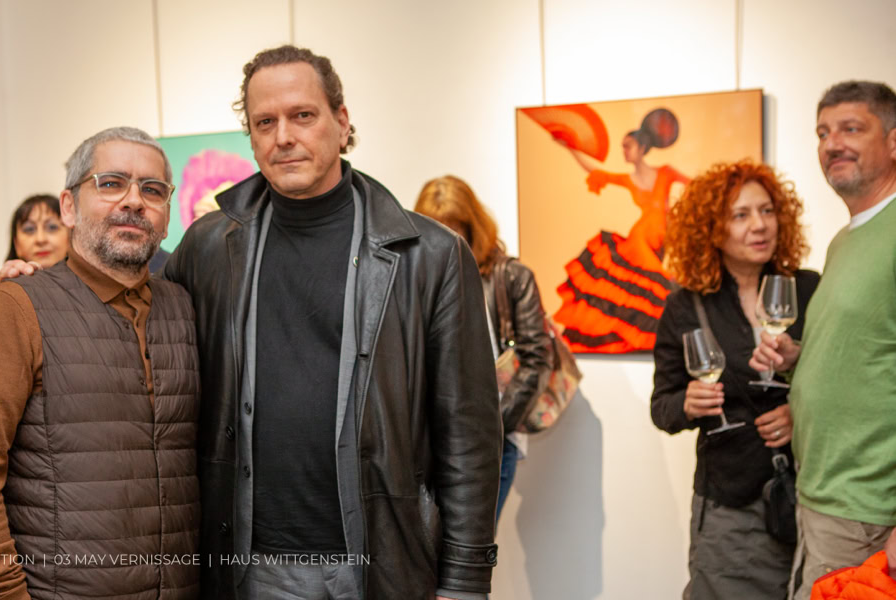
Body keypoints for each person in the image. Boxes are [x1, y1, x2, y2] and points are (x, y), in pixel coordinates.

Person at [163, 45, 501, 599]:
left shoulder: (430, 255)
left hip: (379, 564)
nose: (283, 137)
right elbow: (133, 320)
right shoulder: (208, 246)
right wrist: (42, 285)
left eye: (303, 115)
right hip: (249, 566)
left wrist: (465, 579)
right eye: (264, 122)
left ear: (342, 123)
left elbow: (468, 431)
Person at [0, 127, 200, 599]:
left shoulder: (185, 307)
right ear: (68, 207)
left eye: (152, 189)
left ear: (166, 217)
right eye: (111, 183)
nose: (134, 201)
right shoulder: (14, 309)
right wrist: (4, 593)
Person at [750, 80, 896, 600]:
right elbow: (867, 352)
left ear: (894, 140)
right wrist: (798, 358)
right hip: (824, 497)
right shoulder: (845, 240)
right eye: (822, 132)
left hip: (868, 510)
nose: (832, 144)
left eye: (851, 129)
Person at [652, 159, 818, 599]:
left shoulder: (808, 289)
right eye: (740, 215)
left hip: (813, 498)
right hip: (731, 509)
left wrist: (799, 411)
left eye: (767, 211)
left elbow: (842, 378)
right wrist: (686, 404)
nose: (759, 225)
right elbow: (662, 408)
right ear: (712, 229)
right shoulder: (686, 307)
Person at [414, 174, 553, 523]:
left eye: (453, 230)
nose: (443, 243)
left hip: (490, 443)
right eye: (433, 231)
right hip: (430, 443)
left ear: (471, 228)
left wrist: (492, 427)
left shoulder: (512, 277)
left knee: (473, 543)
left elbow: (537, 359)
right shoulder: (415, 279)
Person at [555, 109, 691, 353]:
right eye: (623, 147)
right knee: (659, 287)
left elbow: (695, 184)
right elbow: (596, 172)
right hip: (640, 240)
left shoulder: (666, 173)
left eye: (627, 146)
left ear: (641, 147)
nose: (624, 151)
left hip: (658, 242)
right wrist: (570, 148)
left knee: (644, 294)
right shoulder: (629, 179)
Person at [6, 194, 69, 267]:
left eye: (52, 227)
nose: (41, 239)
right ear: (16, 244)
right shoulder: (5, 274)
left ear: (71, 236)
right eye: (29, 229)